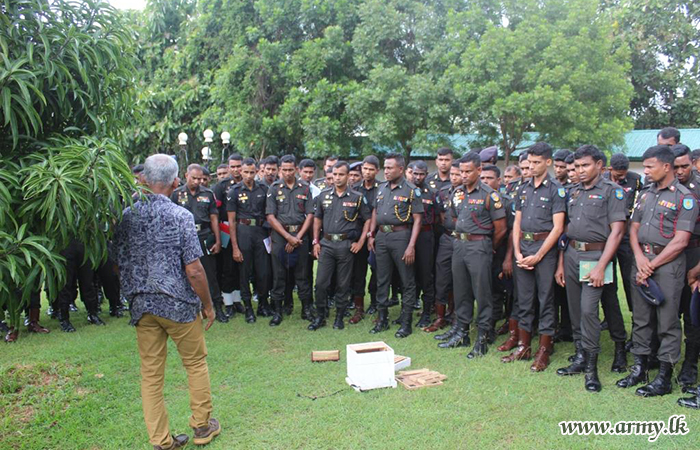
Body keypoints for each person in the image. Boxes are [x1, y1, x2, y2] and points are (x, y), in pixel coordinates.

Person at [113, 154, 220, 450]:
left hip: (142, 306)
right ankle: (201, 426)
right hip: (178, 306)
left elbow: (117, 263)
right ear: (175, 182)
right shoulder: (181, 216)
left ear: (145, 180)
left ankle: (160, 441)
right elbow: (194, 269)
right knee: (195, 363)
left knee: (150, 374)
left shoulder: (126, 215)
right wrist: (208, 305)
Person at [616, 145, 697, 398]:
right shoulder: (645, 194)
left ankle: (664, 376)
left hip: (668, 264)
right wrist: (640, 260)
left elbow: (681, 240)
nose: (646, 170)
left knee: (667, 321)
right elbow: (633, 228)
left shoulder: (684, 197)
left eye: (650, 166)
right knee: (640, 318)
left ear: (666, 166)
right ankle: (640, 368)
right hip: (641, 259)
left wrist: (652, 265)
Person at [553, 145, 626, 392]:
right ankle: (580, 357)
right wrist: (562, 263)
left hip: (597, 255)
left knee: (588, 311)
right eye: (578, 166)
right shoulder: (572, 191)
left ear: (599, 166)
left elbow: (617, 233)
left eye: (585, 165)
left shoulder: (612, 192)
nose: (580, 171)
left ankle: (592, 370)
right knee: (574, 310)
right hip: (572, 254)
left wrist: (601, 265)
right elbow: (566, 232)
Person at [502, 142, 565, 372]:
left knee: (546, 299)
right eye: (530, 162)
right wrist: (518, 252)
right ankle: (523, 345)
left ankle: (544, 350)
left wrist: (538, 255)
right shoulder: (523, 188)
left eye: (537, 162)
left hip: (544, 250)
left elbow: (558, 228)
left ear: (548, 162)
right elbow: (517, 222)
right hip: (524, 248)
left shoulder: (556, 190)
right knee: (524, 299)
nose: (533, 166)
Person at [439, 153, 507, 357]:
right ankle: (462, 332)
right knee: (461, 290)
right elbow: (455, 217)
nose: (464, 175)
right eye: (462, 171)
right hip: (458, 244)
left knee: (482, 292)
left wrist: (487, 246)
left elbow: (501, 229)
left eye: (469, 171)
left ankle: (483, 336)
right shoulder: (457, 192)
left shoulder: (489, 194)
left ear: (479, 170)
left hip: (479, 246)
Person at [309, 161, 371, 330]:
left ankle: (339, 317)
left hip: (346, 245)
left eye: (341, 174)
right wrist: (315, 241)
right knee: (321, 283)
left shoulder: (357, 197)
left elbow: (367, 220)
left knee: (343, 285)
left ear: (348, 176)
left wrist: (360, 242)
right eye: (335, 174)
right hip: (326, 244)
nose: (337, 178)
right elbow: (317, 219)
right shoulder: (323, 195)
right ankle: (320, 316)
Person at [368, 153, 424, 338]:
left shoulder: (411, 190)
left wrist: (411, 246)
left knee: (406, 280)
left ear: (401, 169)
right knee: (382, 278)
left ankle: (406, 322)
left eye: (390, 168)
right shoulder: (381, 188)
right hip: (382, 236)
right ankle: (382, 319)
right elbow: (375, 211)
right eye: (385, 167)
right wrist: (371, 234)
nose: (386, 171)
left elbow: (417, 220)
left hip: (401, 236)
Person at [171, 165, 226, 324]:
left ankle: (218, 307)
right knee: (186, 274)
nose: (197, 181)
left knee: (210, 274)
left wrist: (217, 240)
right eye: (193, 178)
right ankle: (192, 309)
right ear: (186, 175)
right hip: (184, 239)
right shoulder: (176, 194)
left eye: (200, 179)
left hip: (204, 236)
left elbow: (214, 218)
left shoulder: (208, 194)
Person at [265, 155, 314, 326]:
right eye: (284, 169)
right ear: (280, 170)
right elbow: (270, 216)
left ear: (296, 170)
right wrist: (288, 237)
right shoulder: (273, 188)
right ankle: (278, 311)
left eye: (290, 169)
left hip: (301, 237)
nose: (287, 173)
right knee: (279, 275)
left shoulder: (305, 188)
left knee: (303, 274)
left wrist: (298, 237)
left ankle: (306, 309)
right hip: (280, 237)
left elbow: (310, 215)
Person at [227, 157, 272, 324]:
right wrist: (235, 247)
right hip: (243, 231)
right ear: (240, 171)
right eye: (245, 172)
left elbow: (269, 214)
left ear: (256, 171)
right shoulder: (234, 191)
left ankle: (262, 304)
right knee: (244, 272)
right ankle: (248, 308)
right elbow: (231, 221)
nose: (248, 175)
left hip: (261, 232)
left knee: (263, 272)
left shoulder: (264, 188)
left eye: (251, 172)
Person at [672, 144, 700, 388]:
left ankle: (690, 365)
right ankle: (662, 360)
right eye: (676, 167)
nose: (681, 171)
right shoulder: (660, 188)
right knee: (668, 310)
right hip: (670, 256)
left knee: (693, 315)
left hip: (694, 253)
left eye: (685, 166)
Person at [427, 162, 462, 333]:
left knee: (460, 279)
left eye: (458, 174)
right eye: (453, 174)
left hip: (463, 240)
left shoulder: (469, 194)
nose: (454, 178)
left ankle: (456, 315)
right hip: (447, 238)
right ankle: (440, 317)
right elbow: (442, 216)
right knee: (442, 277)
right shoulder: (443, 192)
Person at [349, 155, 381, 323]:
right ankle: (358, 308)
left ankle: (376, 304)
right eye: (365, 169)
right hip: (358, 234)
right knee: (358, 272)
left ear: (377, 170)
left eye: (371, 169)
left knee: (378, 271)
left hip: (377, 236)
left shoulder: (382, 188)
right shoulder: (354, 189)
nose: (367, 172)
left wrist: (372, 235)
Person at [213, 154, 244, 317]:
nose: (236, 170)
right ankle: (228, 302)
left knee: (241, 267)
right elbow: (215, 213)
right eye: (233, 167)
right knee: (227, 267)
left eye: (239, 166)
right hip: (225, 229)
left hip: (244, 228)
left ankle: (237, 300)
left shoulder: (249, 184)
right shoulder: (221, 186)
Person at [55, 239, 106, 332]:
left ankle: (92, 314)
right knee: (66, 284)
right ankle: (64, 319)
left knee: (88, 282)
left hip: (84, 243)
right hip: (65, 244)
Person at [410, 160, 437, 328]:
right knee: (408, 276)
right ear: (410, 173)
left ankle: (427, 313)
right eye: (415, 173)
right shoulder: (405, 190)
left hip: (426, 236)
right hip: (406, 236)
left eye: (421, 174)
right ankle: (407, 310)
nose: (418, 177)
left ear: (426, 175)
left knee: (426, 275)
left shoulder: (432, 193)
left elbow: (439, 217)